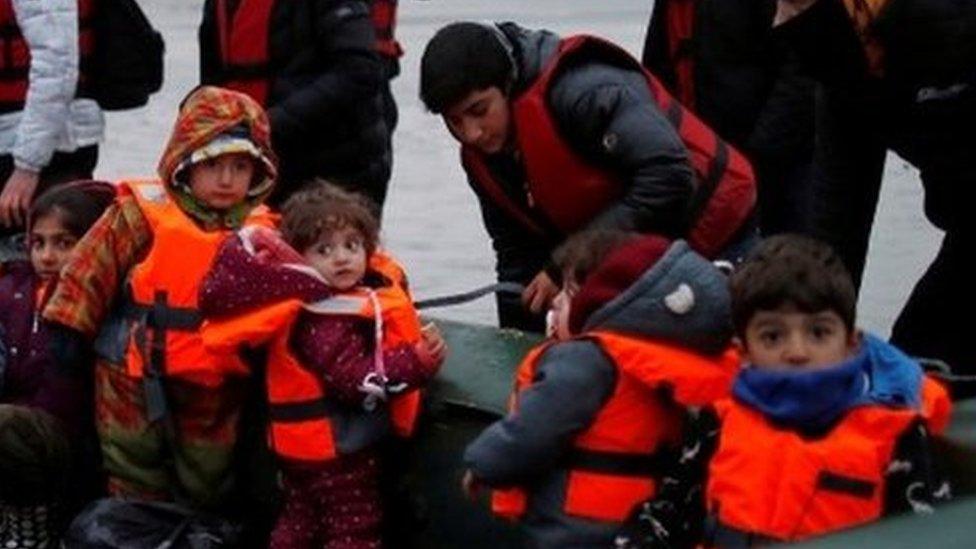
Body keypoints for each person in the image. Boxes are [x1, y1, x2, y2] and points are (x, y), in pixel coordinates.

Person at [615, 234, 952, 548]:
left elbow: (928, 537)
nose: (797, 351)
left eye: (818, 333)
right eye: (772, 337)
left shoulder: (897, 436)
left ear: (851, 343)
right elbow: (667, 518)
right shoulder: (717, 422)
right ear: (743, 350)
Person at [419, 21, 756, 332]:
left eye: (479, 111)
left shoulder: (586, 91)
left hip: (715, 225)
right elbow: (516, 256)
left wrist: (570, 260)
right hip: (633, 247)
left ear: (507, 85)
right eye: (455, 121)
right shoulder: (482, 158)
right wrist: (516, 344)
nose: (472, 133)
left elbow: (668, 175)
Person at [41, 85, 279, 507]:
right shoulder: (139, 213)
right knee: (132, 474)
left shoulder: (264, 232)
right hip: (130, 371)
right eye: (214, 165)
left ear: (258, 172)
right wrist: (68, 331)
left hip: (216, 383)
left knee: (208, 482)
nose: (226, 179)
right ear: (185, 162)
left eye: (240, 167)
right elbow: (87, 270)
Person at [200, 181, 446, 548]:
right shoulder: (323, 319)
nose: (342, 258)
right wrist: (416, 361)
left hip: (299, 453)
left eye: (352, 245)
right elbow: (353, 380)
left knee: (302, 522)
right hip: (337, 454)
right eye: (324, 249)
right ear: (298, 259)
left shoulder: (312, 303)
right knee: (354, 529)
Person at [461, 230, 740, 547]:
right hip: (654, 529)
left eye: (569, 293)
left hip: (577, 531)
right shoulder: (688, 360)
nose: (556, 302)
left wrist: (484, 464)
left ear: (604, 303)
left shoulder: (585, 361)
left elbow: (533, 430)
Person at [770, 0, 976, 389]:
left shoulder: (952, 27)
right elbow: (838, 218)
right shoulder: (844, 78)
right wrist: (813, 331)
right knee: (911, 370)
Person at [0, 181, 113, 548]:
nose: (48, 256)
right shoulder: (11, 289)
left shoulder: (96, 297)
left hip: (64, 441)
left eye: (65, 243)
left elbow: (66, 392)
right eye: (39, 243)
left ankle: (29, 530)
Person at [198, 0, 393, 210]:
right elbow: (213, 84)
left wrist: (270, 122)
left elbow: (359, 72)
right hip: (253, 161)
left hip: (336, 168)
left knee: (325, 238)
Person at [642, 0, 815, 235]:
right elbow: (658, 73)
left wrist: (758, 155)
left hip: (775, 169)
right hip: (703, 169)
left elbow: (803, 67)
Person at [0, 0, 102, 242]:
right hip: (14, 142)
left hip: (48, 152)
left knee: (50, 259)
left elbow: (57, 67)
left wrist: (27, 165)